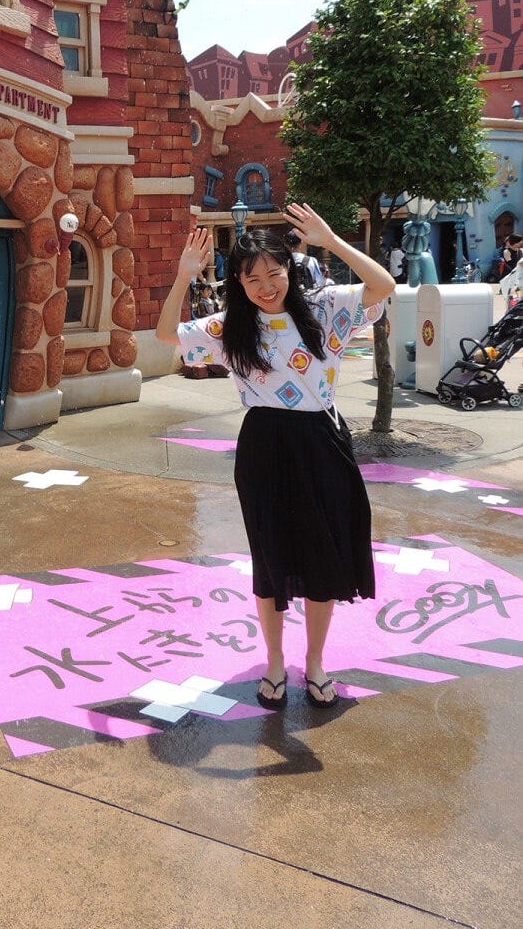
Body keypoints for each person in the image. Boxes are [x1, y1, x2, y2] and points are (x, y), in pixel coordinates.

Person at [156, 204, 395, 711]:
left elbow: (384, 285)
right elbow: (165, 336)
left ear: (290, 269)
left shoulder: (326, 308)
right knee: (270, 560)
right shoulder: (232, 331)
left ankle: (314, 663)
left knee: (323, 557)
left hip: (322, 440)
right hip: (264, 444)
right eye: (253, 278)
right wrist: (182, 276)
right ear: (237, 284)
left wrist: (330, 239)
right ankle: (272, 663)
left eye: (275, 272)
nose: (266, 285)